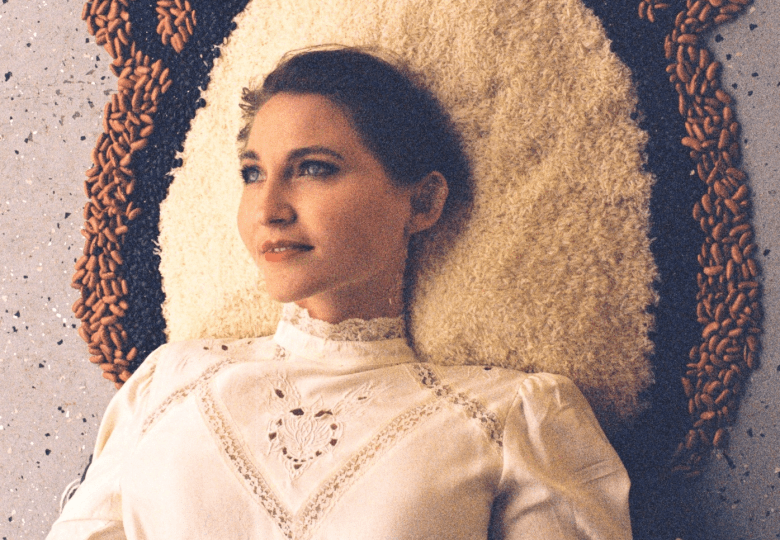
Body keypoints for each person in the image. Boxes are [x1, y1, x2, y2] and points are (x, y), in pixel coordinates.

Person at [47, 46, 632, 539]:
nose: (269, 209)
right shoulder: (168, 384)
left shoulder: (512, 417)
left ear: (423, 202)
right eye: (253, 172)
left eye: (315, 168)